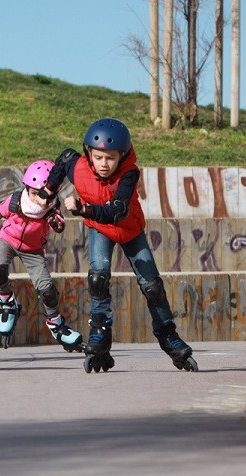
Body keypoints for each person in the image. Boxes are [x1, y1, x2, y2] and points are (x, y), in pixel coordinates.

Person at [40, 118, 199, 373]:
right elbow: (64, 158)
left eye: (111, 158)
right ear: (89, 154)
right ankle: (100, 334)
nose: (104, 164)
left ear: (122, 157)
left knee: (152, 286)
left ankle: (169, 337)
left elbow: (117, 211)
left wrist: (83, 209)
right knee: (98, 278)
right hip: (99, 230)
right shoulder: (80, 168)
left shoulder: (128, 174)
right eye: (99, 157)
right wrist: (49, 189)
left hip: (129, 230)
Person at [0, 160, 83, 351]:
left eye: (44, 195)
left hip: (33, 250)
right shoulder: (16, 201)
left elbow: (60, 225)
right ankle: (8, 303)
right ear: (27, 188)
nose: (38, 200)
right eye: (34, 194)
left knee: (47, 291)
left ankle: (56, 324)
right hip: (8, 240)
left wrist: (53, 217)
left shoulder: (51, 208)